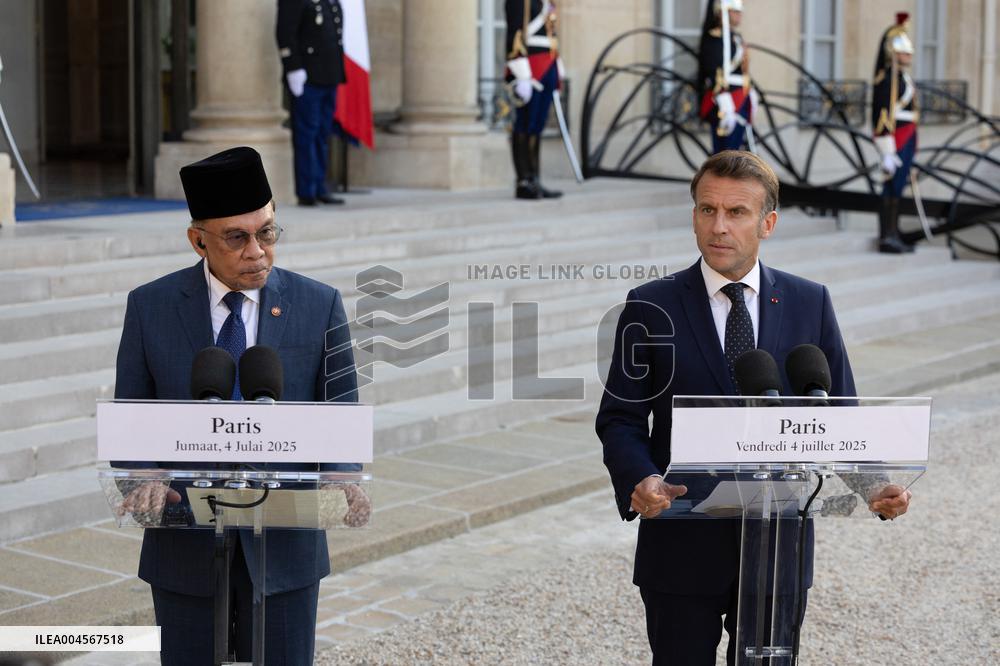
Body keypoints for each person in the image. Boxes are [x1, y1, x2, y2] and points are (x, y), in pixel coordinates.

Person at [595, 151, 912, 665]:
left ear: (768, 222)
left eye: (736, 212)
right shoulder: (650, 304)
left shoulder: (811, 302)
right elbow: (621, 419)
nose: (718, 227)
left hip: (778, 547)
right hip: (680, 543)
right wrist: (640, 479)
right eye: (706, 210)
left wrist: (875, 485)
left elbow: (841, 417)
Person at [114, 146, 365, 664]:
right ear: (198, 240)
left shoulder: (319, 305)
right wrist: (144, 479)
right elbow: (131, 420)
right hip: (185, 548)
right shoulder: (150, 307)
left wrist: (343, 480)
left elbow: (340, 412)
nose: (258, 251)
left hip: (285, 549)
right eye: (237, 237)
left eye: (268, 231)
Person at [277, 0, 347, 207]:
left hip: (328, 76)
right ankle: (307, 190)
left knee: (322, 134)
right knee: (307, 134)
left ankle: (320, 187)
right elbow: (285, 32)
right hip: (307, 77)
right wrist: (293, 68)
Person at [505, 0, 563, 200]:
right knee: (525, 123)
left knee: (538, 124)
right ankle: (523, 181)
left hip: (548, 62)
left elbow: (551, 32)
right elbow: (514, 32)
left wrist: (557, 63)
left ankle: (535, 178)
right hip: (530, 65)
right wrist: (520, 71)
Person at [871, 12, 918, 253]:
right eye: (905, 52)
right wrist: (886, 149)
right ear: (894, 52)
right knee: (890, 188)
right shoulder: (888, 79)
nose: (908, 56)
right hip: (895, 137)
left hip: (907, 133)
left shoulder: (903, 77)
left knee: (898, 188)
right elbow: (882, 114)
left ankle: (894, 231)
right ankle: (886, 236)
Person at [697, 0, 754, 154]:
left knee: (737, 150)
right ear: (724, 13)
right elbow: (712, 70)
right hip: (723, 100)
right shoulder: (714, 38)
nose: (739, 15)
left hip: (740, 97)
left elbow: (742, 69)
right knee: (724, 153)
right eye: (735, 12)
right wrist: (724, 100)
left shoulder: (736, 38)